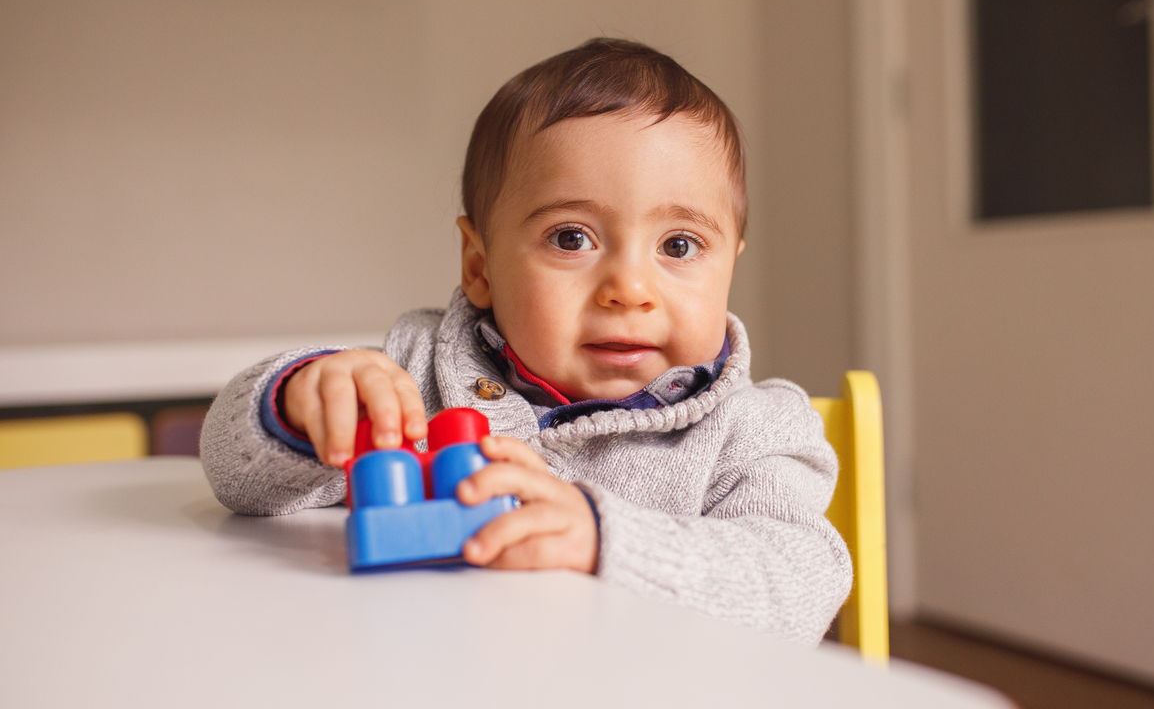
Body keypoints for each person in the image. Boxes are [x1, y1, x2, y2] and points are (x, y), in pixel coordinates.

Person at [200, 38, 852, 645]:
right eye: (572, 238)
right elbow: (237, 480)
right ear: (479, 266)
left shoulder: (752, 431)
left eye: (679, 246)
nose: (629, 289)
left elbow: (801, 582)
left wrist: (606, 540)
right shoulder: (418, 375)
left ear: (730, 264)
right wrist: (298, 404)